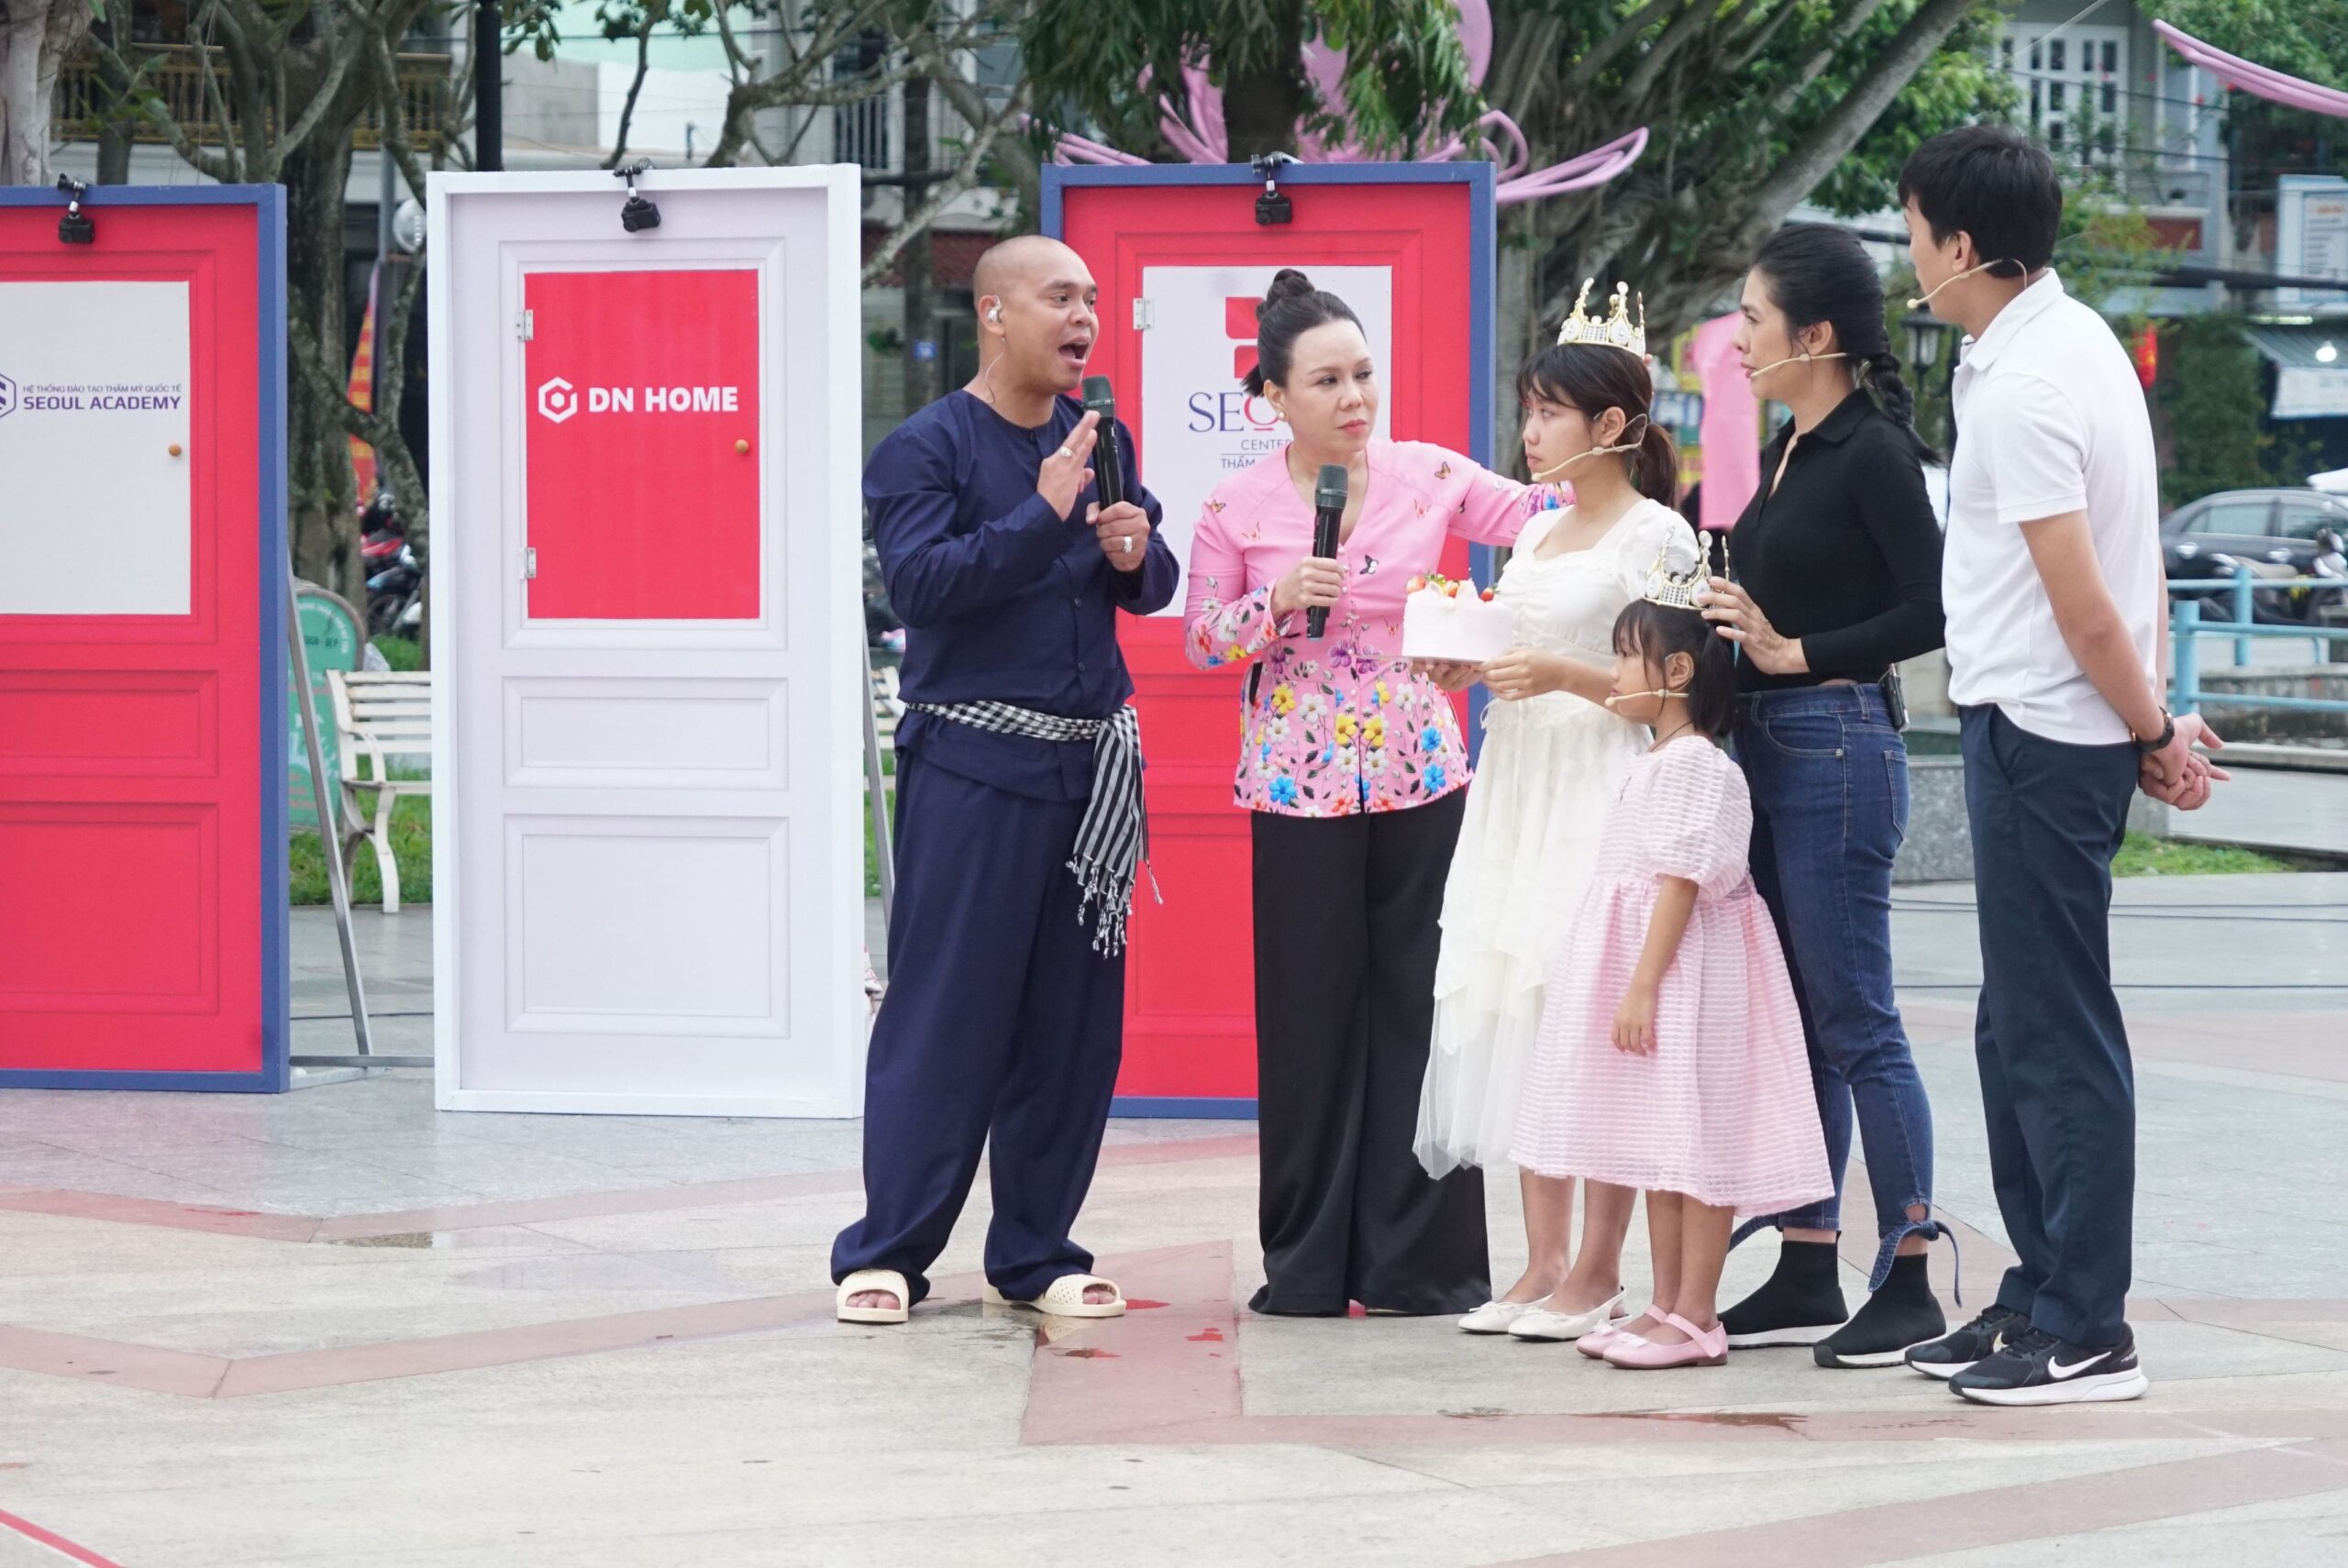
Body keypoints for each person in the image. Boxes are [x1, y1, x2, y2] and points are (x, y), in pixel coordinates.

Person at [1893, 127, 2224, 1405]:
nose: (1910, 257)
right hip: (2045, 724)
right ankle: (2038, 1291)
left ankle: (2089, 1325)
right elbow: (2131, 568)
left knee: (2055, 1030)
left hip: (2041, 730)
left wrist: (2151, 731)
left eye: (1914, 233)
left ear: (1961, 244)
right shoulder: (2059, 344)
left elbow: (2085, 599)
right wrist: (2150, 718)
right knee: (2014, 1023)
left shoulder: (2030, 382)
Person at [832, 236, 1179, 1326]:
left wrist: (1133, 550)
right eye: (1058, 297)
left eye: (1091, 299)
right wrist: (1042, 511)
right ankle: (886, 1254)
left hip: (1089, 775)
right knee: (945, 1013)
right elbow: (921, 590)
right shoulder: (922, 447)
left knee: (1071, 1028)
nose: (1083, 318)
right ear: (994, 313)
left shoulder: (1102, 437)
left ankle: (1034, 1255)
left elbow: (1147, 585)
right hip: (971, 768)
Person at [1184, 268, 1525, 1317]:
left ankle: (1420, 1265)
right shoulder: (1234, 506)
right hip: (1297, 787)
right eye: (1326, 381)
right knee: (1310, 1019)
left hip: (1422, 774)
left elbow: (1545, 523)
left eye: (1363, 375)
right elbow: (1200, 641)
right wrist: (1275, 602)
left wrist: (1490, 629)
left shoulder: (1431, 474)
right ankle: (1308, 1263)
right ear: (1272, 398)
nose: (1353, 398)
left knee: (1421, 1008)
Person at [1416, 291, 1697, 1342]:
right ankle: (1538, 1265)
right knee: (1518, 1007)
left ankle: (1596, 1270)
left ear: (1609, 425)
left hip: (1596, 788)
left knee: (1583, 1012)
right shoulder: (1535, 534)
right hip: (1518, 784)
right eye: (1527, 413)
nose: (1528, 434)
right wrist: (1468, 662)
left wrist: (1562, 675)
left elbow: (1670, 693)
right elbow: (1515, 653)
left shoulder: (1659, 535)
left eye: (1547, 414)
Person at [1695, 223, 1953, 1369]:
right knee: (1800, 1018)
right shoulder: (1793, 448)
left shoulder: (1873, 453)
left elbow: (1930, 609)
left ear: (1815, 335)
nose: (1738, 339)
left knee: (1856, 1019)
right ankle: (1808, 1257)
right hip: (1770, 748)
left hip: (1835, 748)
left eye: (1752, 319)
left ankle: (1909, 1275)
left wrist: (1796, 653)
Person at [1512, 548, 1833, 1369]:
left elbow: (1682, 881)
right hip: (1666, 979)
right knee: (1665, 1146)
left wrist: (1642, 985)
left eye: (1627, 656)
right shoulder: (1656, 759)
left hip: (1692, 982)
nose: (1616, 672)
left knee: (1700, 1150)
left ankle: (1697, 1313)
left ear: (1678, 669)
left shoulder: (1696, 764)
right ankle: (1663, 1303)